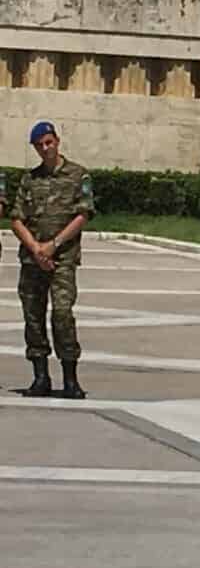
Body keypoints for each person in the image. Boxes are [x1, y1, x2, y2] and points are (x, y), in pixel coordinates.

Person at [11, 121, 95, 399]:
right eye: (39, 145)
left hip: (62, 260)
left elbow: (83, 215)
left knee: (62, 315)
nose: (45, 148)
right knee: (33, 317)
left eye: (48, 142)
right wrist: (36, 249)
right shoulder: (29, 179)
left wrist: (53, 245)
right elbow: (16, 219)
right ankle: (40, 378)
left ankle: (70, 379)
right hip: (33, 260)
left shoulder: (78, 175)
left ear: (57, 141)